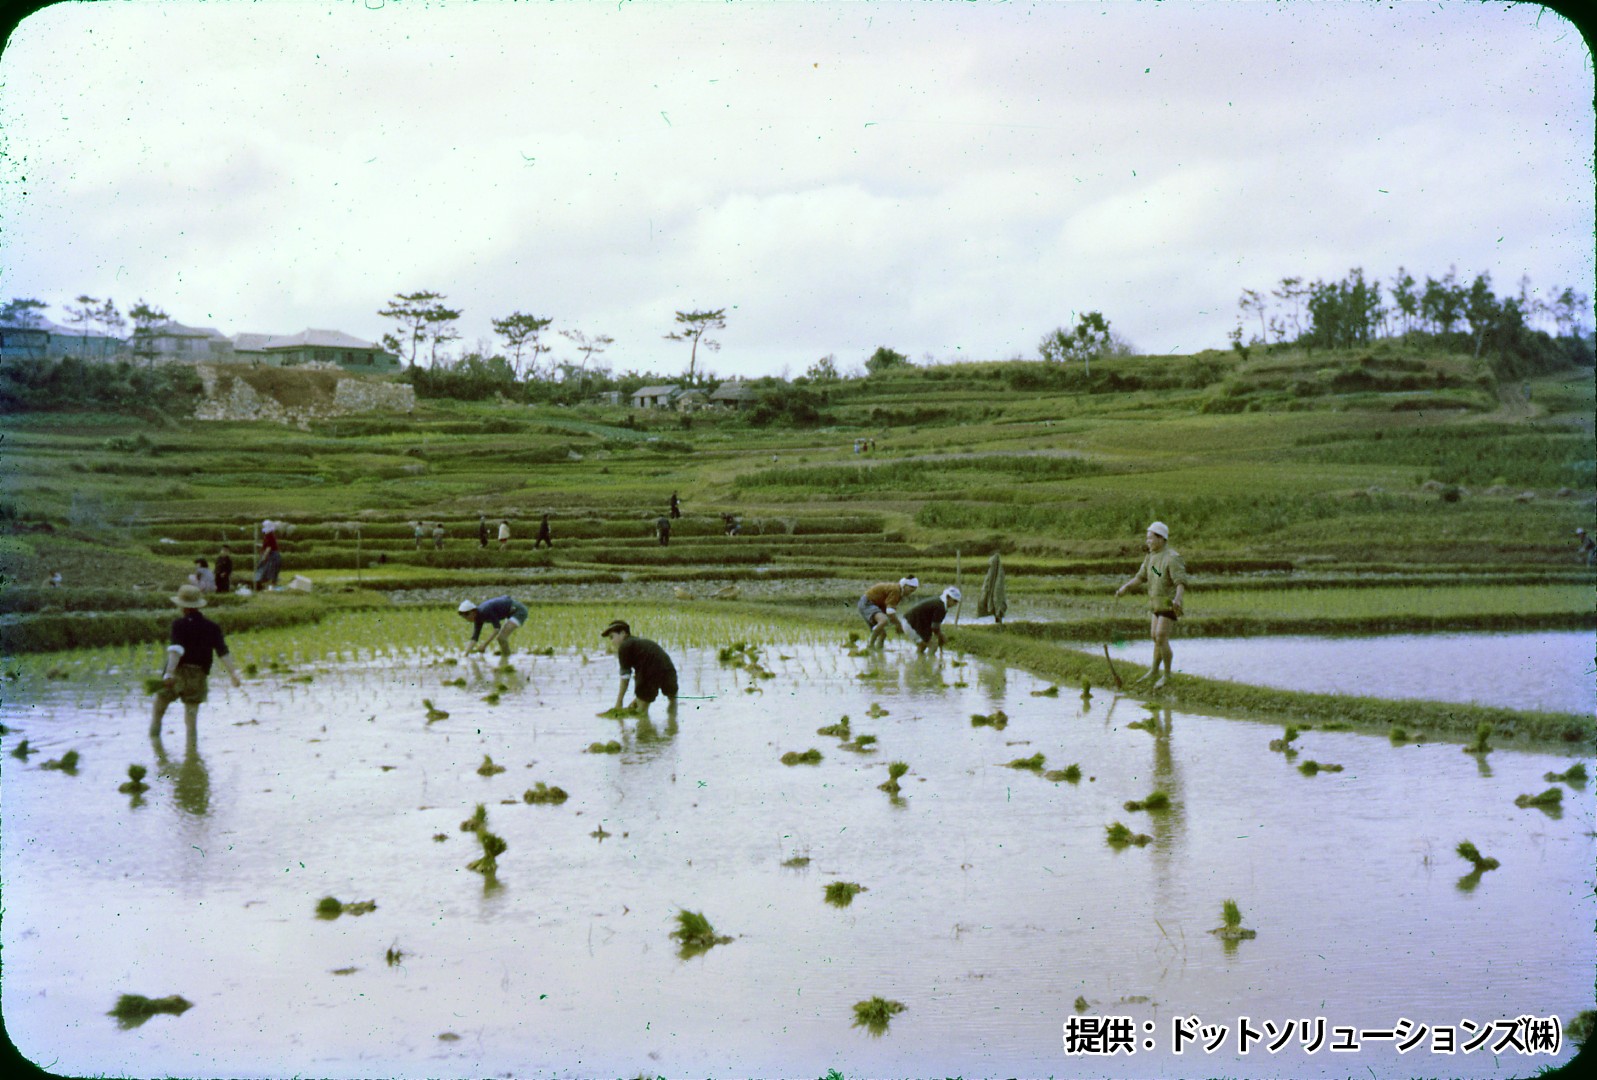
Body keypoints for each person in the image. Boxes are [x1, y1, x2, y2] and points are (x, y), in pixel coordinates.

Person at [150, 583, 243, 740]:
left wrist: (168, 673)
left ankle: (154, 742)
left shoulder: (178, 625)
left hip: (177, 673)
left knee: (158, 711)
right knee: (191, 721)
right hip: (198, 676)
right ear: (198, 605)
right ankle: (192, 755)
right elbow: (223, 652)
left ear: (182, 606)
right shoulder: (212, 627)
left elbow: (176, 651)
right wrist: (233, 673)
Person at [1114, 521, 1188, 690]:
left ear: (1161, 539)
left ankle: (1167, 675)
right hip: (1156, 603)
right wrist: (1125, 588)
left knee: (1161, 636)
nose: (1147, 541)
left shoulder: (1172, 557)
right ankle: (1154, 670)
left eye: (1150, 538)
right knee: (1155, 637)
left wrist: (1178, 598)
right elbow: (1142, 577)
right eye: (1147, 538)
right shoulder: (1151, 558)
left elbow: (1180, 582)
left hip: (1169, 603)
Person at [600, 619, 678, 718]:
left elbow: (625, 678)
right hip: (668, 669)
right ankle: (673, 728)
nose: (612, 642)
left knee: (641, 713)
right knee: (672, 701)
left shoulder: (624, 646)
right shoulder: (639, 643)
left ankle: (644, 730)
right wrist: (638, 698)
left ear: (623, 633)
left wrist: (619, 703)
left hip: (650, 671)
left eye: (612, 637)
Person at [857, 576, 919, 649]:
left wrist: (897, 623)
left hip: (875, 605)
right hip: (868, 603)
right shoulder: (896, 590)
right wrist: (898, 625)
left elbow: (889, 609)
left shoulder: (898, 591)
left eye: (913, 591)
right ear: (905, 585)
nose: (910, 593)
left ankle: (878, 651)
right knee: (883, 621)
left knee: (882, 634)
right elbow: (890, 612)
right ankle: (870, 645)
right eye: (910, 590)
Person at [458, 596, 529, 657]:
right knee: (501, 638)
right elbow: (474, 638)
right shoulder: (478, 617)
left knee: (501, 638)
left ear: (473, 612)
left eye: (467, 616)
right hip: (510, 612)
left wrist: (485, 644)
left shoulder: (485, 611)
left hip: (518, 611)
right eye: (464, 618)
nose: (467, 619)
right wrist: (465, 654)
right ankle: (506, 657)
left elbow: (497, 628)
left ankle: (507, 659)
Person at [904, 586, 960, 656]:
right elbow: (935, 627)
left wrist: (939, 636)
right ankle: (929, 665)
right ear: (948, 597)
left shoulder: (939, 602)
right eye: (954, 601)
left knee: (923, 645)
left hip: (910, 622)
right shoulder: (940, 607)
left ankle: (920, 662)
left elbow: (933, 625)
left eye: (957, 602)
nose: (955, 604)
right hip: (911, 624)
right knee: (933, 646)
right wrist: (941, 636)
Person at [978, 551, 1007, 624]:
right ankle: (997, 622)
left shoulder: (999, 575)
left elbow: (998, 592)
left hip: (996, 596)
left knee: (997, 603)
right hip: (993, 595)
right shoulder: (991, 573)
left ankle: (998, 620)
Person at [255, 520, 282, 590]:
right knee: (268, 571)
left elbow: (269, 548)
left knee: (270, 571)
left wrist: (264, 557)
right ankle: (267, 585)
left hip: (273, 556)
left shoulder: (269, 536)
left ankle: (271, 586)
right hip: (272, 555)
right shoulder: (268, 535)